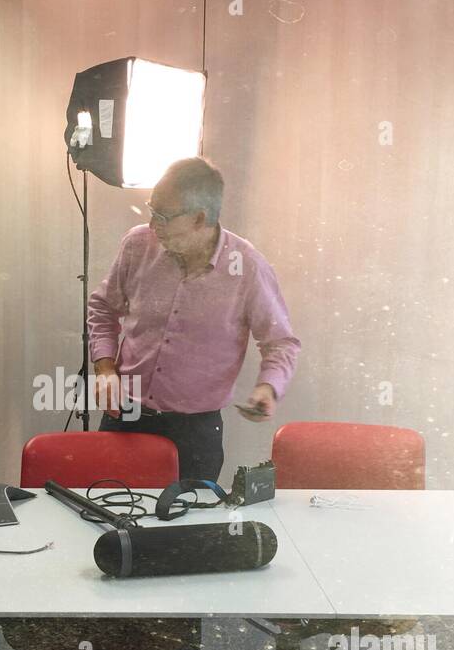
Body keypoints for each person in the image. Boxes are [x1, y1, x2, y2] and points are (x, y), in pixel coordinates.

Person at [87, 157, 301, 480]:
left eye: (162, 216)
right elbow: (103, 308)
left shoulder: (247, 268)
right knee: (106, 511)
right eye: (151, 209)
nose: (152, 225)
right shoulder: (137, 244)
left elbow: (281, 343)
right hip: (125, 414)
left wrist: (269, 388)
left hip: (194, 433)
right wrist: (104, 369)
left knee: (186, 528)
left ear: (200, 219)